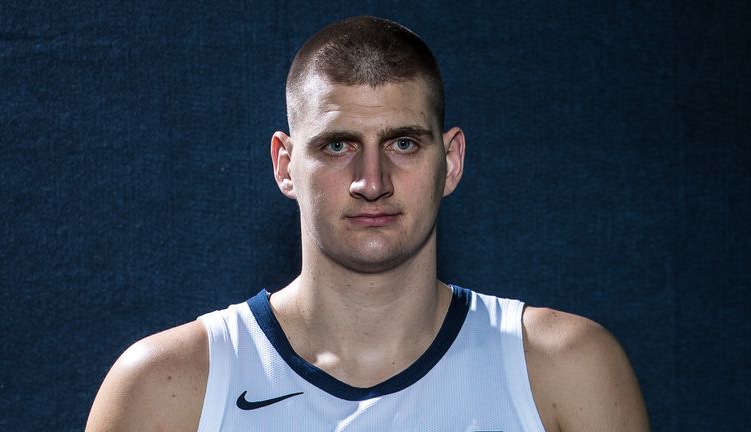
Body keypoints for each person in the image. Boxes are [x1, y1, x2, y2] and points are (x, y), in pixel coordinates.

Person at [86, 16, 649, 431]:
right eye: (337, 145)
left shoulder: (563, 370)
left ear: (450, 161)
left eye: (403, 143)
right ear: (285, 164)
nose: (371, 180)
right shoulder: (167, 390)